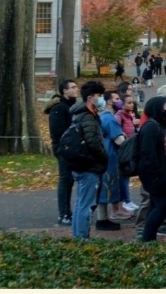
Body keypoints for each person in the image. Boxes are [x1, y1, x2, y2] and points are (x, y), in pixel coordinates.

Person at [68, 81, 109, 238]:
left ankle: (78, 236)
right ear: (90, 98)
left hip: (81, 165)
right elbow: (92, 141)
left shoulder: (80, 115)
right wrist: (103, 156)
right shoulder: (88, 117)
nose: (101, 99)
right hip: (88, 166)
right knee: (86, 204)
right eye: (99, 96)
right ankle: (82, 237)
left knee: (80, 203)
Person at [137, 96, 166, 242]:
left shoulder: (160, 126)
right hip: (155, 174)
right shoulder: (151, 127)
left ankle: (149, 237)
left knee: (155, 204)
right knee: (162, 205)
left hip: (162, 171)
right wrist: (157, 173)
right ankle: (147, 237)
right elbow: (148, 153)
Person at [46, 78, 79, 226]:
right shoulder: (59, 108)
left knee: (70, 181)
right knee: (65, 181)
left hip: (72, 149)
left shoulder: (71, 106)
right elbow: (58, 132)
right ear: (65, 91)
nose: (76, 89)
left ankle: (69, 212)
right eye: (73, 87)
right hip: (64, 150)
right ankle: (64, 213)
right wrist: (64, 149)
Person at [97, 90, 129, 226]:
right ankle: (104, 219)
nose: (119, 101)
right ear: (109, 101)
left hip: (105, 155)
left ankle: (102, 217)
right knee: (109, 186)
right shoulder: (110, 119)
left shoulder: (102, 116)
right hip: (111, 157)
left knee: (104, 187)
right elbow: (119, 140)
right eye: (117, 99)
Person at [115, 90, 138, 214]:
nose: (132, 105)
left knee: (127, 176)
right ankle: (125, 200)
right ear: (122, 105)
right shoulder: (119, 116)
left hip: (130, 149)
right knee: (123, 177)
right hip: (123, 149)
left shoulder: (130, 116)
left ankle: (127, 199)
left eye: (132, 102)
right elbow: (118, 132)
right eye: (129, 103)